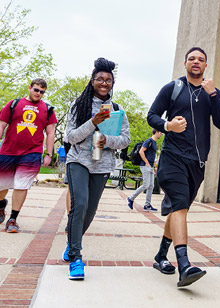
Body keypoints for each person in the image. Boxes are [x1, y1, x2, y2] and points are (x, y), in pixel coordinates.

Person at [147, 47, 220, 287]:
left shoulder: (212, 92)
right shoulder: (173, 88)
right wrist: (168, 125)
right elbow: (151, 115)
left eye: (201, 59)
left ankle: (161, 256)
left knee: (178, 210)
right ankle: (184, 265)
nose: (196, 62)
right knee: (180, 204)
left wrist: (214, 95)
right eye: (192, 58)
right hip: (172, 157)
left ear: (205, 66)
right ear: (185, 64)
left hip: (197, 163)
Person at [62, 58, 130, 280]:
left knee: (89, 212)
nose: (104, 83)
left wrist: (105, 139)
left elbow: (125, 140)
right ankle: (76, 257)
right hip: (78, 161)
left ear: (112, 83)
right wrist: (93, 122)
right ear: (92, 81)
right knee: (79, 205)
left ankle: (72, 242)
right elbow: (70, 136)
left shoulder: (118, 110)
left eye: (108, 80)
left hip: (102, 164)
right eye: (100, 79)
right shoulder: (78, 105)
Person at [0, 78, 57, 232]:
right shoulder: (14, 104)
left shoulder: (48, 109)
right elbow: (2, 124)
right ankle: (1, 205)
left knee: (21, 185)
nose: (39, 94)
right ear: (29, 88)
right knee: (2, 185)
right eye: (36, 90)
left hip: (32, 153)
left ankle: (13, 219)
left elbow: (50, 133)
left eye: (42, 92)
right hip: (8, 151)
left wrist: (49, 154)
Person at [126, 129, 162, 211]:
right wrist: (146, 162)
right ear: (156, 132)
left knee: (151, 186)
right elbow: (141, 151)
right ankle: (130, 199)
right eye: (160, 132)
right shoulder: (149, 141)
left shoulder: (154, 142)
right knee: (146, 185)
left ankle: (147, 205)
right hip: (145, 166)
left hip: (150, 166)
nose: (161, 134)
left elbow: (151, 155)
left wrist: (154, 166)